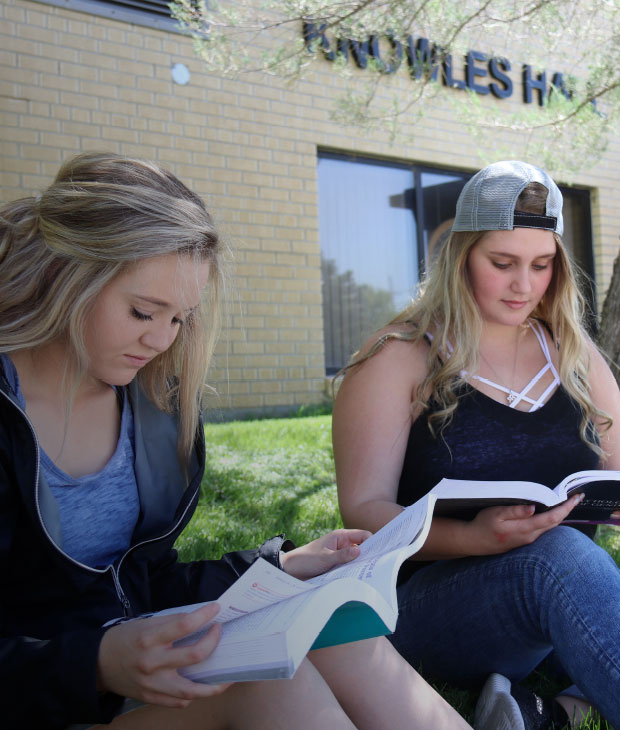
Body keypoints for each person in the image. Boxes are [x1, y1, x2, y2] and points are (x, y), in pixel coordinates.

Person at [0, 152, 473, 730]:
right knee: (271, 691)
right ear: (67, 273)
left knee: (324, 632)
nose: (160, 339)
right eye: (143, 311)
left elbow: (137, 583)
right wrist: (96, 664)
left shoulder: (148, 405)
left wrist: (282, 566)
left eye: (180, 318)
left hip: (127, 676)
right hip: (45, 697)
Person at [333, 160, 620, 729]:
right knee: (558, 558)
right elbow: (362, 513)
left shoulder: (570, 349)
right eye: (502, 263)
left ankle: (545, 713)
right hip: (428, 608)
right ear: (460, 255)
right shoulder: (400, 355)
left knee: (570, 562)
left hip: (558, 596)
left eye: (541, 265)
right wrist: (469, 537)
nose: (524, 285)